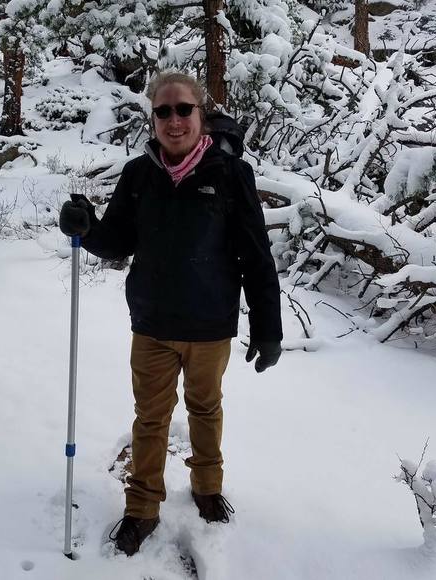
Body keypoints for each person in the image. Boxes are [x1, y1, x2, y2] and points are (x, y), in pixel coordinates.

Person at [59, 71, 282, 556]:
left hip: (210, 326)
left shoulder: (231, 175)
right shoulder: (139, 175)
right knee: (151, 418)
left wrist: (268, 328)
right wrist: (87, 227)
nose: (174, 120)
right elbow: (118, 241)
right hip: (153, 325)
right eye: (163, 111)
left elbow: (255, 255)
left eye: (184, 109)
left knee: (205, 408)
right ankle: (142, 508)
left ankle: (207, 487)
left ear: (201, 115)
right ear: (153, 118)